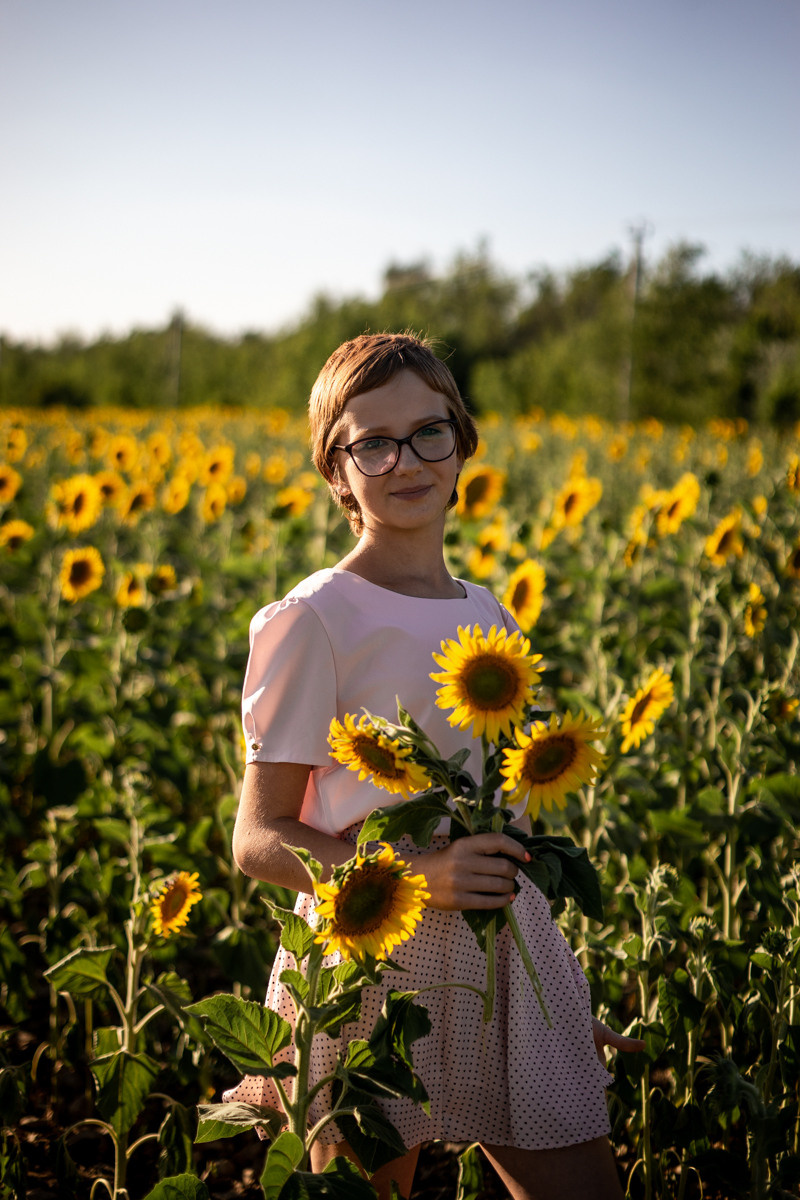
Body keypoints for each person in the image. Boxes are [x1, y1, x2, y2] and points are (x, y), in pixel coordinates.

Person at [225, 333, 643, 1200]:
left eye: (428, 432)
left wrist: (552, 995)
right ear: (336, 471)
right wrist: (418, 876)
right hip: (367, 963)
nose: (404, 460)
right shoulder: (315, 618)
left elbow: (501, 829)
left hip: (501, 953)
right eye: (371, 442)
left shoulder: (490, 616)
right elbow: (260, 839)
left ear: (462, 444)